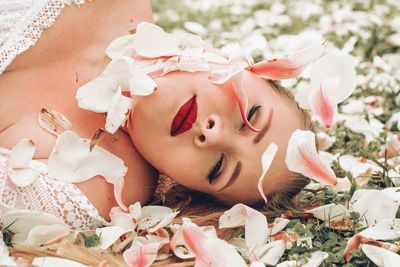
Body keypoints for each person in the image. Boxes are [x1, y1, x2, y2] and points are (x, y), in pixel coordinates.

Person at [0, 0, 312, 230]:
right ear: (240, 66)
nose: (213, 134)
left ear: (184, 187)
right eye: (251, 115)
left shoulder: (91, 187)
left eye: (217, 168)